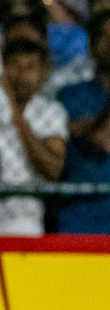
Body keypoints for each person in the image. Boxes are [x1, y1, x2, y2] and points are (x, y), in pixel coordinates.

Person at [0, 39, 66, 235]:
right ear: (1, 71)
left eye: (30, 68)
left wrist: (16, 116)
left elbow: (52, 169)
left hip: (24, 213)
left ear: (43, 75)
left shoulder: (51, 111)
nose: (22, 76)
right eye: (14, 66)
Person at [57, 15, 110, 233]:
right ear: (91, 46)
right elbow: (101, 139)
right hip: (81, 215)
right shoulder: (70, 96)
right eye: (105, 37)